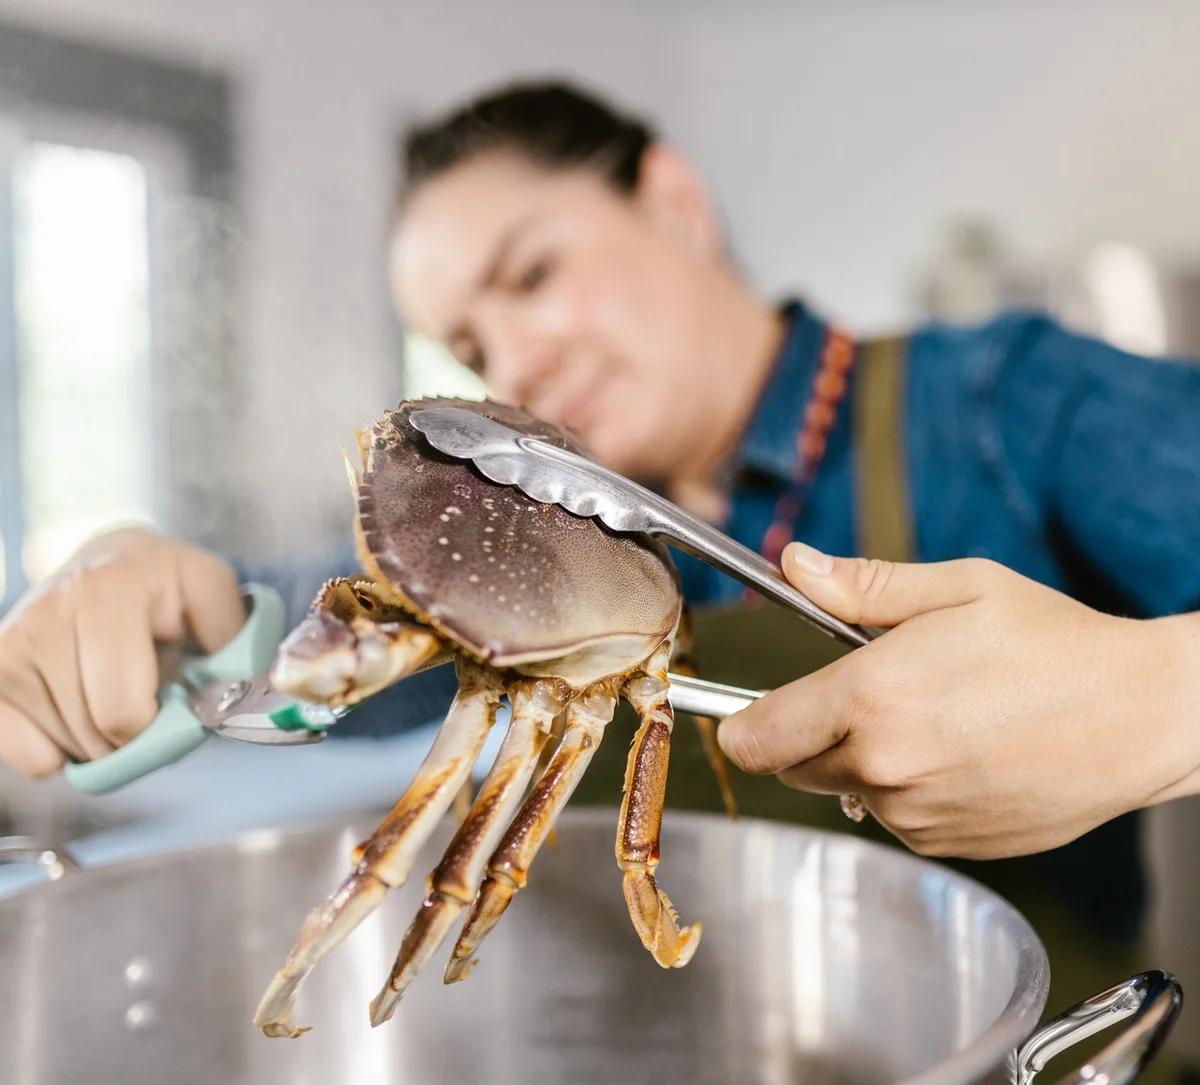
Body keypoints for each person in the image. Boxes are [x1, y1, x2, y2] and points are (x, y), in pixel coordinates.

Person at [1, 81, 1198, 939]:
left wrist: (1160, 700)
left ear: (673, 201)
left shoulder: (1009, 401)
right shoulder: (528, 530)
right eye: (466, 341)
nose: (512, 356)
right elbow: (317, 626)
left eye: (531, 273)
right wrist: (162, 594)